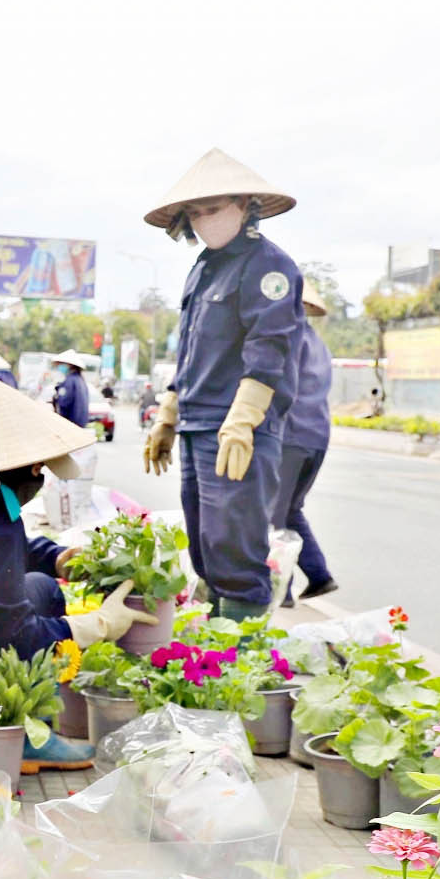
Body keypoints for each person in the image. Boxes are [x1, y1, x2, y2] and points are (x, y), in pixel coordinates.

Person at [0, 379, 157, 771]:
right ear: (25, 467)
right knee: (42, 600)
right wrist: (97, 625)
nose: (42, 475)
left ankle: (24, 731)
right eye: (41, 467)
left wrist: (60, 558)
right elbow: (17, 635)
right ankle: (24, 733)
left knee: (43, 585)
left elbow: (5, 553)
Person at [139, 148, 304, 621]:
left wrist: (243, 419)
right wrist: (168, 414)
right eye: (196, 212)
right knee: (207, 550)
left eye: (213, 208)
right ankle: (211, 656)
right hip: (197, 424)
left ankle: (242, 662)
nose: (204, 220)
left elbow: (269, 348)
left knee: (236, 553)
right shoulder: (203, 268)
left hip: (237, 428)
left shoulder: (269, 266)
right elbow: (192, 353)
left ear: (244, 203)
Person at [276, 280, 337, 607]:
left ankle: (280, 590)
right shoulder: (317, 343)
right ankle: (318, 574)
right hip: (316, 438)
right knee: (288, 509)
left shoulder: (285, 337)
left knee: (270, 513)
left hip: (291, 437)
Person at [50, 351, 94, 426]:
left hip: (70, 424)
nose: (58, 367)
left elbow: (64, 404)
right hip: (80, 424)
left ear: (69, 365)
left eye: (60, 364)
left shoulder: (69, 381)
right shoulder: (81, 380)